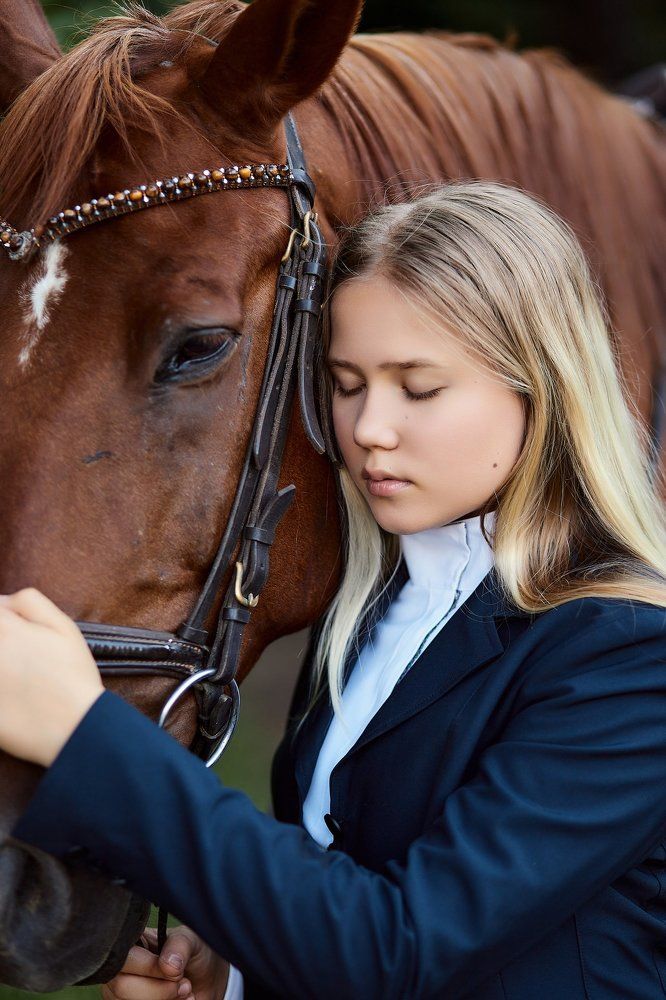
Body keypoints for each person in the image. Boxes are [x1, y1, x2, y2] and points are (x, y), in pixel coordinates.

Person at [0, 181, 665, 1000]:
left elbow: (399, 948)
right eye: (346, 383)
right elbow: (356, 902)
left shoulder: (629, 656)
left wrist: (85, 736)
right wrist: (242, 973)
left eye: (419, 388)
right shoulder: (369, 616)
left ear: (541, 384)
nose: (368, 429)